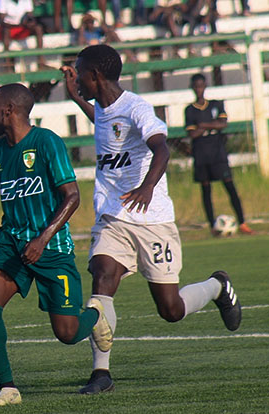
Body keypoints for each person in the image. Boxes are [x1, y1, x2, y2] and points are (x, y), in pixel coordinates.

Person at [60, 44, 241, 395]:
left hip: (151, 219)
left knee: (171, 310)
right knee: (102, 278)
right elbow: (103, 124)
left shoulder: (137, 108)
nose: (77, 78)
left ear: (95, 76)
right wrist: (74, 99)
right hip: (113, 216)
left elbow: (162, 147)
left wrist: (146, 187)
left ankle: (217, 286)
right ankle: (101, 373)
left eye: (80, 73)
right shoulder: (102, 109)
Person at [0, 83, 112, 407]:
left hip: (51, 247)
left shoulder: (47, 142)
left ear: (8, 110)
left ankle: (95, 317)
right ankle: (8, 388)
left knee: (67, 333)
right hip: (12, 243)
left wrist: (43, 238)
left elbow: (72, 196)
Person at [184, 73, 253, 236]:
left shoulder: (215, 104)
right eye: (196, 86)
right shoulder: (189, 110)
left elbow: (223, 124)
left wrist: (203, 126)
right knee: (206, 190)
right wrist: (211, 126)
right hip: (201, 154)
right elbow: (192, 134)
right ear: (192, 88)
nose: (199, 89)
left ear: (205, 86)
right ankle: (213, 226)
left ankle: (242, 222)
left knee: (230, 186)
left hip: (218, 153)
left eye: (201, 86)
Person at [0, 0, 46, 68]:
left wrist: (30, 23)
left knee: (38, 28)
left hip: (19, 28)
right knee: (6, 30)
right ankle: (8, 65)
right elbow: (2, 22)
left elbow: (30, 16)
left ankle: (41, 62)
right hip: (2, 29)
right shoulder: (2, 1)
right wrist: (21, 25)